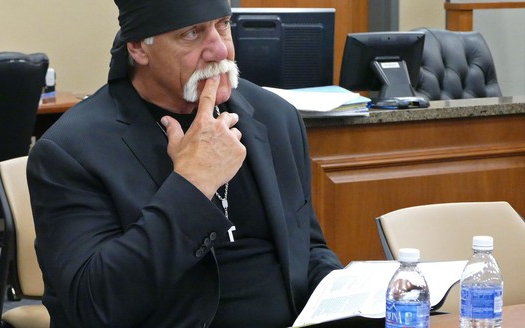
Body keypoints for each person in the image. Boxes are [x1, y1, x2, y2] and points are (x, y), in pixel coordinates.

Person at [27, 0, 343, 327]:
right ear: (138, 48)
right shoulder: (71, 151)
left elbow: (306, 250)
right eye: (192, 33)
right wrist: (193, 184)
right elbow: (95, 304)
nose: (220, 50)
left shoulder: (275, 117)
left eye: (223, 25)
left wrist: (350, 298)